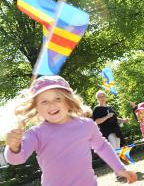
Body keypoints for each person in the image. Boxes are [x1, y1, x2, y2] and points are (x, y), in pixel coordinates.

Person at [4, 75, 137, 185]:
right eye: (44, 101)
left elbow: (102, 146)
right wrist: (14, 147)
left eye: (57, 98)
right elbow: (17, 159)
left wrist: (119, 168)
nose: (52, 104)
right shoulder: (35, 133)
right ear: (36, 107)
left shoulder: (86, 125)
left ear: (68, 101)